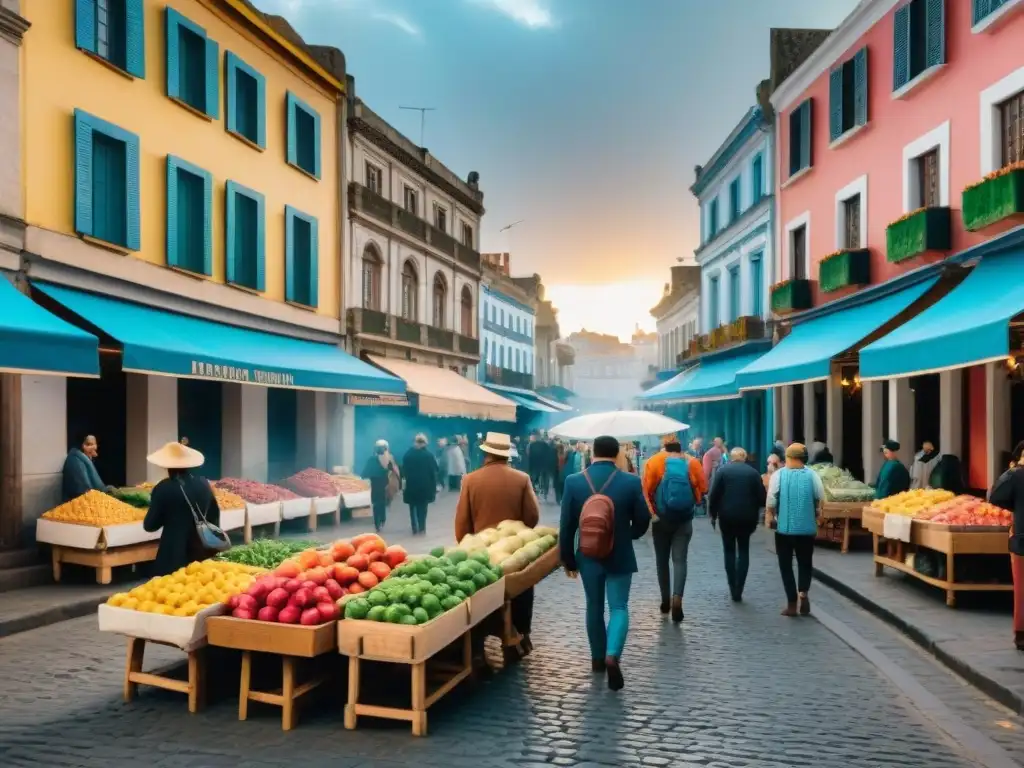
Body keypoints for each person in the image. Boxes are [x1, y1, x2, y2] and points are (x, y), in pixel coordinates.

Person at [561, 435, 650, 691]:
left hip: (588, 555)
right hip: (619, 553)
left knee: (594, 606)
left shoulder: (574, 482)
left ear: (592, 452)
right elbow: (643, 519)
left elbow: (566, 525)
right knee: (619, 606)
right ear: (617, 453)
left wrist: (568, 558)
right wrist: (628, 535)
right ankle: (613, 655)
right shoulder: (631, 481)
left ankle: (598, 660)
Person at [456, 432, 540, 660]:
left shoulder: (470, 480)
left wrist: (466, 547)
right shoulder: (521, 478)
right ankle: (521, 634)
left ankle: (480, 648)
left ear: (485, 453)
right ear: (507, 455)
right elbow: (533, 517)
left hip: (482, 552)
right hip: (514, 551)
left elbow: (462, 523)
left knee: (483, 598)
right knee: (521, 589)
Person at [642, 439, 705, 621]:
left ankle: (665, 601)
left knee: (662, 561)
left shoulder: (654, 462)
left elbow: (646, 490)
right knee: (680, 560)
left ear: (664, 449)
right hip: (684, 519)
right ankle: (677, 598)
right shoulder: (692, 462)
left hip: (661, 519)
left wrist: (652, 513)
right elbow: (704, 487)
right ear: (681, 449)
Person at [143, 442, 221, 576]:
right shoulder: (203, 483)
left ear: (166, 466)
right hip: (201, 553)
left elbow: (150, 525)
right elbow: (214, 514)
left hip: (172, 557)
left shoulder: (163, 488)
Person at [766, 443, 824, 617]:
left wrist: (769, 516)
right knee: (805, 562)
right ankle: (803, 593)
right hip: (807, 529)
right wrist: (818, 515)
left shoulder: (779, 475)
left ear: (788, 458)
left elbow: (771, 499)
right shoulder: (813, 475)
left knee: (786, 565)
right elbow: (820, 498)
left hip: (785, 529)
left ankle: (792, 603)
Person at [708, 447, 766, 601]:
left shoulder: (723, 471)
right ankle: (740, 588)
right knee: (744, 549)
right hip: (747, 517)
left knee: (729, 550)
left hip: (727, 517)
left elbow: (714, 495)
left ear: (731, 457)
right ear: (745, 457)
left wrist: (713, 515)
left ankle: (732, 585)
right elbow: (762, 498)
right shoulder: (753, 473)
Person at [988, 441, 1024, 652]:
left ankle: (1021, 634)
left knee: (1022, 589)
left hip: (1021, 538)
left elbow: (996, 496)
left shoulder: (1016, 475)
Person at [402, 434, 437, 535]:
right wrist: (434, 487)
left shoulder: (408, 455)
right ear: (424, 443)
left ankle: (414, 527)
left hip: (411, 485)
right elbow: (433, 471)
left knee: (412, 507)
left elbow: (403, 470)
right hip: (424, 486)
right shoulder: (429, 455)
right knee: (423, 508)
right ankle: (422, 527)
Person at [61, 433, 113, 502]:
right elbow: (83, 491)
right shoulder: (75, 461)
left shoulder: (85, 459)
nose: (94, 447)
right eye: (88, 444)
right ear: (81, 446)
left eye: (94, 444)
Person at [362, 440, 399, 532]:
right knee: (382, 503)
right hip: (384, 484)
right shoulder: (389, 458)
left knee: (376, 504)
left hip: (375, 484)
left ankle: (377, 523)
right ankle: (382, 520)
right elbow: (395, 471)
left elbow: (365, 473)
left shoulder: (371, 459)